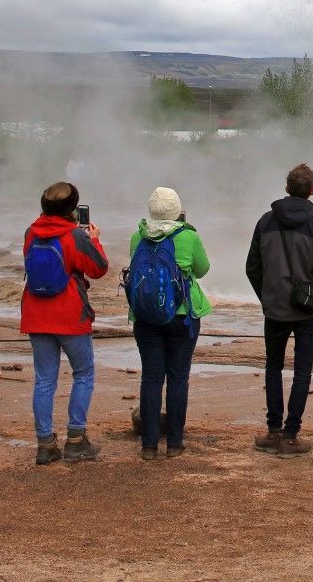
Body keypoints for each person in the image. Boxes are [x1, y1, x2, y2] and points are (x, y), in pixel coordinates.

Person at [246, 163, 313, 456]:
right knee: (302, 371)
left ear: (287, 189)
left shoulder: (265, 222)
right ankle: (290, 437)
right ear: (312, 191)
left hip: (274, 308)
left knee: (273, 367)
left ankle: (273, 432)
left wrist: (267, 296)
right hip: (305, 311)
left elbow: (252, 267)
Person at [21, 180, 110, 465]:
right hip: (70, 314)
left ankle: (45, 444)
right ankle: (75, 439)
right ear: (72, 208)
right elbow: (98, 269)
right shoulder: (75, 236)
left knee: (44, 379)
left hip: (36, 314)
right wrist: (93, 239)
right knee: (83, 374)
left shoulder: (30, 233)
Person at [131, 186, 211, 459]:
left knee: (151, 377)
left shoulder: (136, 237)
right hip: (182, 317)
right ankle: (175, 443)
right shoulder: (188, 236)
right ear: (177, 210)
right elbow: (202, 269)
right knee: (178, 378)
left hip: (145, 318)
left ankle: (149, 445)